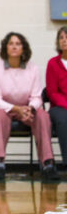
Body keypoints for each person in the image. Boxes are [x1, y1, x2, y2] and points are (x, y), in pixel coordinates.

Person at [0, 31, 58, 182]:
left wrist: (30, 108)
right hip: (1, 108)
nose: (14, 47)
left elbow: (37, 96)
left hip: (26, 108)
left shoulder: (33, 68)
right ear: (5, 47)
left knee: (43, 116)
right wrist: (17, 109)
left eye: (18, 44)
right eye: (11, 44)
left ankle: (47, 164)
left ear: (23, 48)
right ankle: (0, 163)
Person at [46, 27, 67, 168]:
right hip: (58, 107)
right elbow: (52, 92)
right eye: (61, 38)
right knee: (64, 119)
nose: (64, 40)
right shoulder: (53, 63)